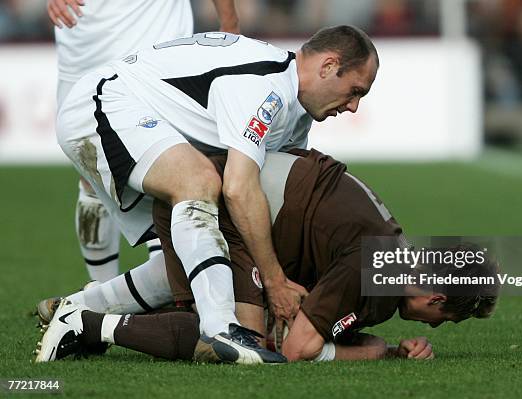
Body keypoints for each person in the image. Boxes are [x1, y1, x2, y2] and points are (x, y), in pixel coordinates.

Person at [54, 26, 379, 363]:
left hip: (139, 117)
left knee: (199, 249)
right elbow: (238, 188)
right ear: (327, 66)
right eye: (354, 91)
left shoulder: (295, 114)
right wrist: (274, 280)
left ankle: (75, 311)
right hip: (104, 102)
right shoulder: (266, 86)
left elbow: (269, 205)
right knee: (199, 183)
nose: (353, 106)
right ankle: (222, 329)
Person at [35, 150, 498, 363]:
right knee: (239, 345)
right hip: (221, 205)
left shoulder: (391, 253)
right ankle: (84, 325)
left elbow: (309, 314)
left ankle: (81, 305)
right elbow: (298, 347)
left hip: (220, 191)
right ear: (437, 297)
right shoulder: (375, 270)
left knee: (211, 299)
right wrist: (376, 353)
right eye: (445, 319)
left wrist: (391, 349)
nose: (433, 327)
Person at [49, 0, 240, 283]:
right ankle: (99, 295)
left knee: (165, 173)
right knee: (92, 180)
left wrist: (230, 24)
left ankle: (172, 296)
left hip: (150, 42)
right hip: (80, 45)